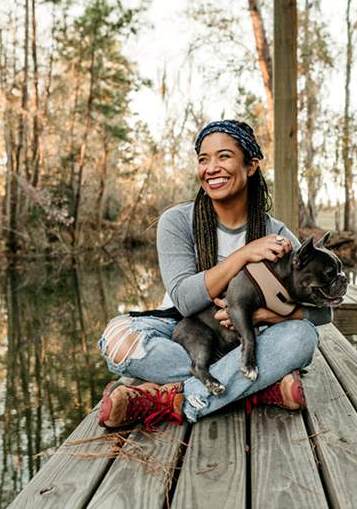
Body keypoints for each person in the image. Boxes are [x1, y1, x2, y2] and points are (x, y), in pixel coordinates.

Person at [97, 120, 332, 429]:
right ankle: (257, 387)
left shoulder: (276, 234)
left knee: (301, 338)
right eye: (203, 159)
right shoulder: (177, 221)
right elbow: (182, 300)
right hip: (181, 326)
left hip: (247, 338)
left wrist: (266, 317)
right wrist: (243, 255)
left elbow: (324, 314)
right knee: (118, 341)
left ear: (251, 165)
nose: (211, 168)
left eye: (223, 156)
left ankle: (171, 399)